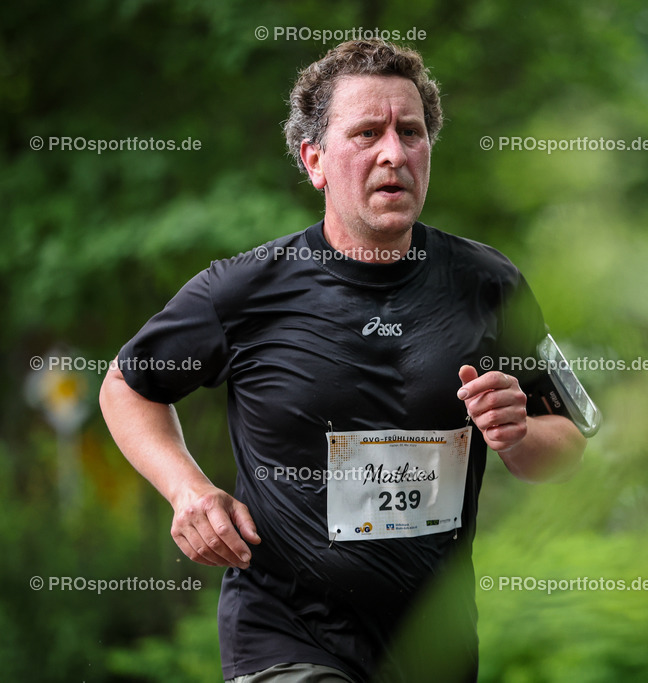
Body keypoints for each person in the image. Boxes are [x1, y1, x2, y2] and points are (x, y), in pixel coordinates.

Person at [99, 39, 587, 683]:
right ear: (315, 161)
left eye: (411, 132)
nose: (394, 153)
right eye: (366, 133)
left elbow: (569, 442)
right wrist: (186, 489)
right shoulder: (246, 289)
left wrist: (518, 434)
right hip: (285, 635)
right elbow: (126, 385)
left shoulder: (487, 284)